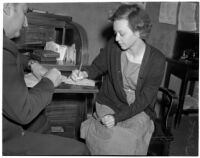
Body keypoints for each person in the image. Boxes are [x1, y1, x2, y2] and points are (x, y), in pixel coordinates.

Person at [71, 4, 166, 155]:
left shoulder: (157, 60)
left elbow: (145, 99)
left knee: (123, 138)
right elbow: (97, 67)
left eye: (121, 33)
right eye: (115, 33)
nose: (116, 38)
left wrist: (117, 118)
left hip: (138, 108)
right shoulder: (114, 47)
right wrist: (83, 73)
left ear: (138, 31)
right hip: (110, 101)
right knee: (106, 136)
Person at [3, 3, 90, 155]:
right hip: (5, 137)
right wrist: (49, 81)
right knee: (80, 150)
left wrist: (32, 64)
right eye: (24, 13)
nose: (25, 23)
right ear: (8, 8)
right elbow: (25, 111)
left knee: (41, 121)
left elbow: (14, 57)